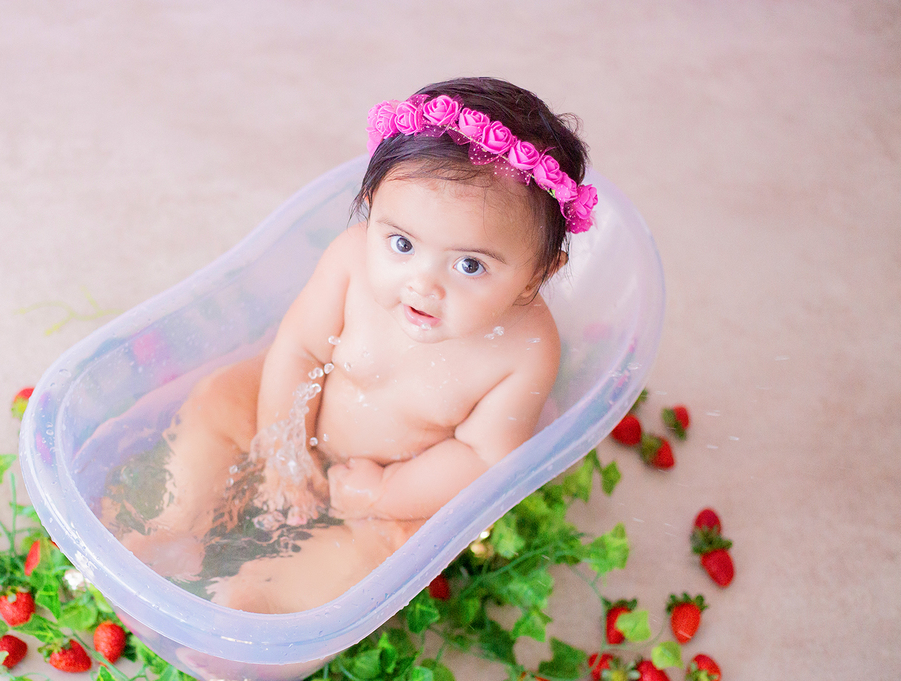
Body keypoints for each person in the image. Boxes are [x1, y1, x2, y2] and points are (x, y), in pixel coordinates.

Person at [110, 77, 596, 613]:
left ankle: (262, 600)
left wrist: (384, 494)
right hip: (298, 417)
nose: (423, 284)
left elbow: (482, 457)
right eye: (403, 243)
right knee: (222, 397)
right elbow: (298, 351)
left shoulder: (525, 349)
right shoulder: (350, 260)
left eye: (470, 265)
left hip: (395, 485)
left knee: (391, 543)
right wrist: (282, 446)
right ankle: (176, 527)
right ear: (369, 208)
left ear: (538, 275)